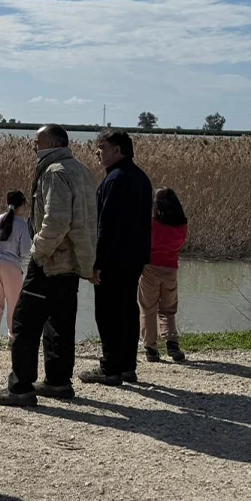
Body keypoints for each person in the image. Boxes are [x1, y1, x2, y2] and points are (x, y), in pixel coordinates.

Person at [0, 124, 97, 406]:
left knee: (24, 321)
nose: (34, 147)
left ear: (53, 142)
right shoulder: (82, 170)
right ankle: (58, 381)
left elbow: (57, 221)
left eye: (38, 142)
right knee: (60, 322)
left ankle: (20, 386)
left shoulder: (54, 172)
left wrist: (37, 253)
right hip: (72, 264)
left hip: (50, 262)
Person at [81, 129, 152, 386]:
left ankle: (110, 368)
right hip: (135, 258)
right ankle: (126, 366)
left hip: (113, 259)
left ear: (117, 150)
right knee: (127, 311)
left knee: (108, 313)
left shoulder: (115, 179)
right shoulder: (141, 178)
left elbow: (107, 226)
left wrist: (96, 263)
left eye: (102, 147)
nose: (98, 152)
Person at [141, 188, 189, 363]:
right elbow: (181, 243)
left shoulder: (151, 223)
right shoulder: (181, 224)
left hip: (150, 267)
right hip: (170, 268)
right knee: (168, 309)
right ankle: (171, 343)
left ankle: (151, 348)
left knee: (148, 307)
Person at [0, 190, 33, 350]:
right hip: (11, 267)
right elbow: (26, 250)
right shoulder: (22, 224)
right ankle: (13, 337)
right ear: (22, 205)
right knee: (15, 303)